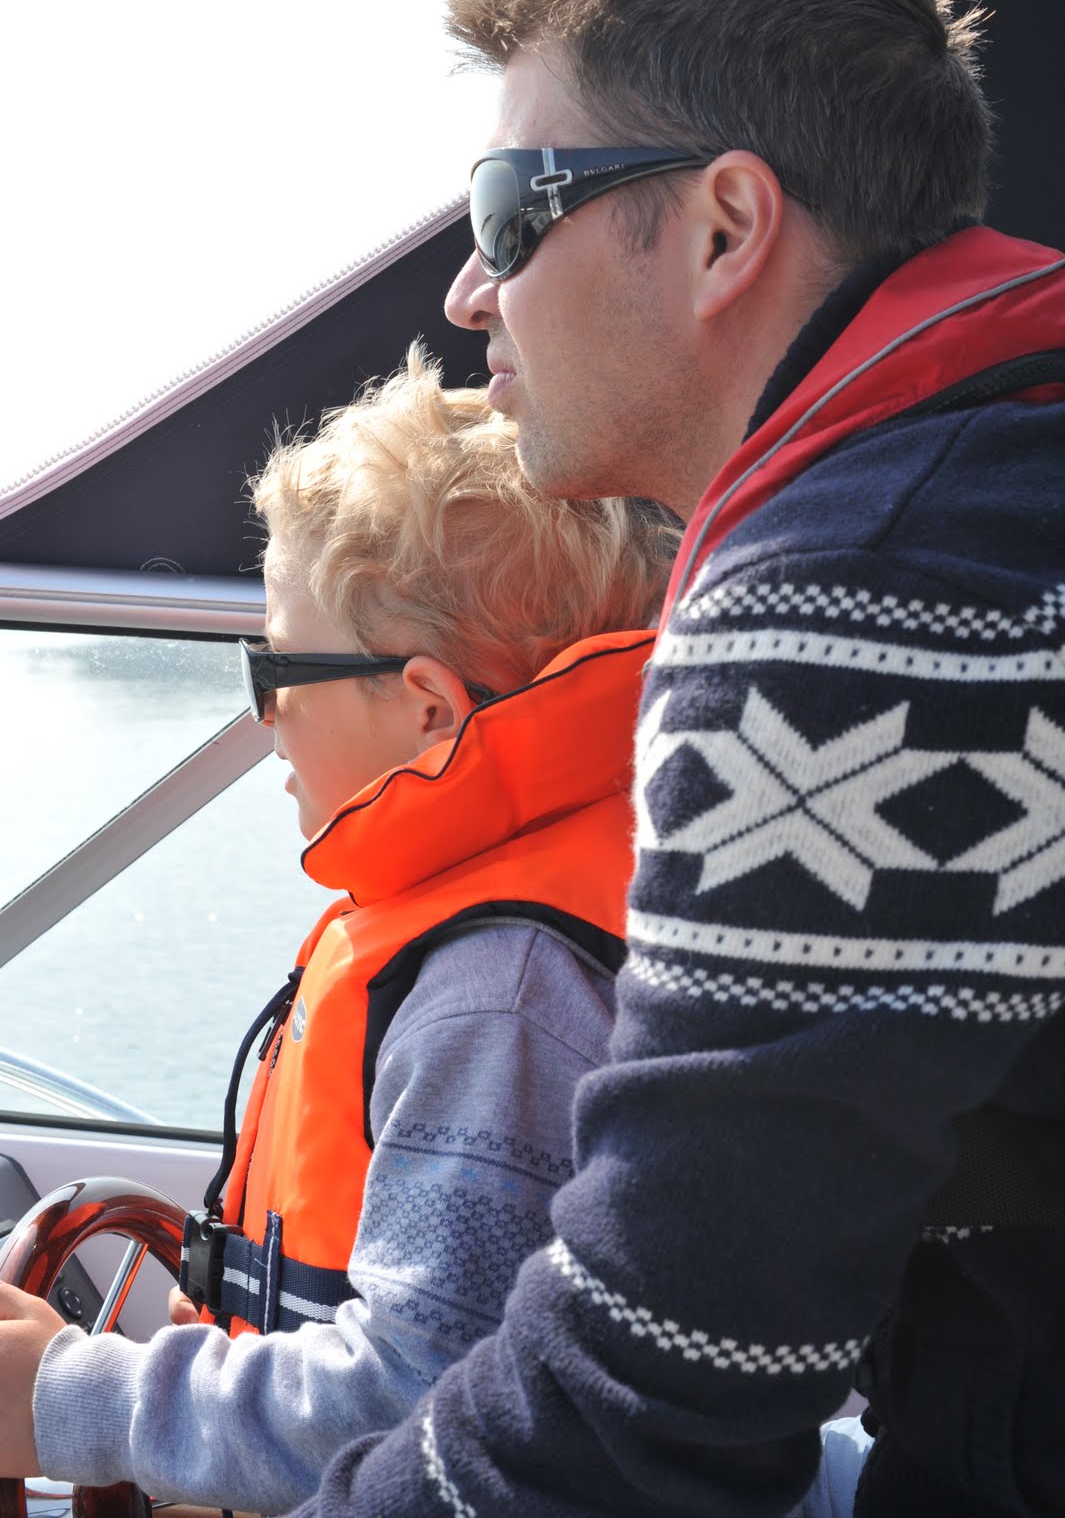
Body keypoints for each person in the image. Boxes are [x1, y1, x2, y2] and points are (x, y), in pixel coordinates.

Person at [282, 0, 1065, 1515]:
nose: (471, 291)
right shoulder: (993, 486)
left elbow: (662, 1390)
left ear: (724, 229)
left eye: (509, 212)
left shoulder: (858, 598)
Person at [0, 347, 680, 1512]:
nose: (263, 715)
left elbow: (417, 1403)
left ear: (428, 709)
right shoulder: (483, 931)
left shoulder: (498, 995)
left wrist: (63, 1395)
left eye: (275, 665)